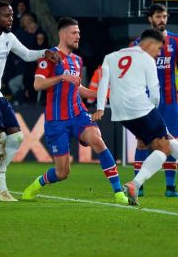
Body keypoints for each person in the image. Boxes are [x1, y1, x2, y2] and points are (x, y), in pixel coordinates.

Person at [93, 28, 178, 206]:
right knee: (165, 148)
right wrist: (153, 109)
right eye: (159, 48)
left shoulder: (111, 56)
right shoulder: (146, 58)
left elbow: (103, 83)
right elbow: (154, 92)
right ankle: (135, 184)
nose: (159, 53)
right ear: (150, 44)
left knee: (166, 139)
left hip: (120, 113)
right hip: (141, 108)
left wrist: (100, 108)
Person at [21, 17, 129, 205]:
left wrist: (101, 93)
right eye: (74, 32)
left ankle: (119, 192)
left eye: (79, 32)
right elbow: (38, 84)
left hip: (78, 113)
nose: (78, 36)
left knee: (97, 140)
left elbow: (77, 88)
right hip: (56, 120)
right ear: (62, 34)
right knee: (62, 173)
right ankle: (36, 185)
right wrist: (61, 77)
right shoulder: (50, 57)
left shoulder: (77, 60)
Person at [0, 0, 58, 201]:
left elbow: (26, 54)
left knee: (16, 137)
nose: (10, 19)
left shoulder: (9, 37)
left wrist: (45, 53)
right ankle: (0, 189)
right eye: (6, 15)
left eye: (12, 15)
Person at [130, 4, 178, 198]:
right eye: (158, 17)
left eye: (165, 16)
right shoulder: (138, 43)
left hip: (169, 102)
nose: (162, 20)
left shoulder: (176, 41)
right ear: (150, 19)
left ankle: (171, 187)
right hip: (145, 103)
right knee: (142, 142)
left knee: (171, 141)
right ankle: (138, 185)